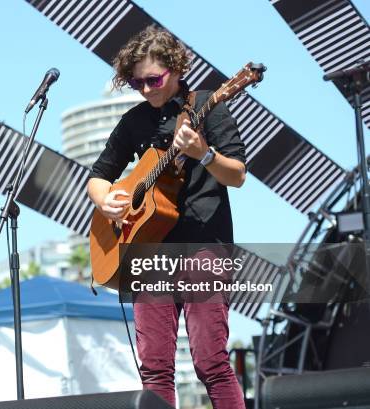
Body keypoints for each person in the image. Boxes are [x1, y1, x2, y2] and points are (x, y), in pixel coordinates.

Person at [87, 26, 246, 408]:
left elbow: (237, 175)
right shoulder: (134, 121)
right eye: (136, 82)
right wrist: (105, 200)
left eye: (153, 80)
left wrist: (204, 154)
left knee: (211, 361)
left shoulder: (209, 105)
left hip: (203, 246)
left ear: (175, 68)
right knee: (154, 367)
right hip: (149, 252)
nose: (145, 89)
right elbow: (97, 176)